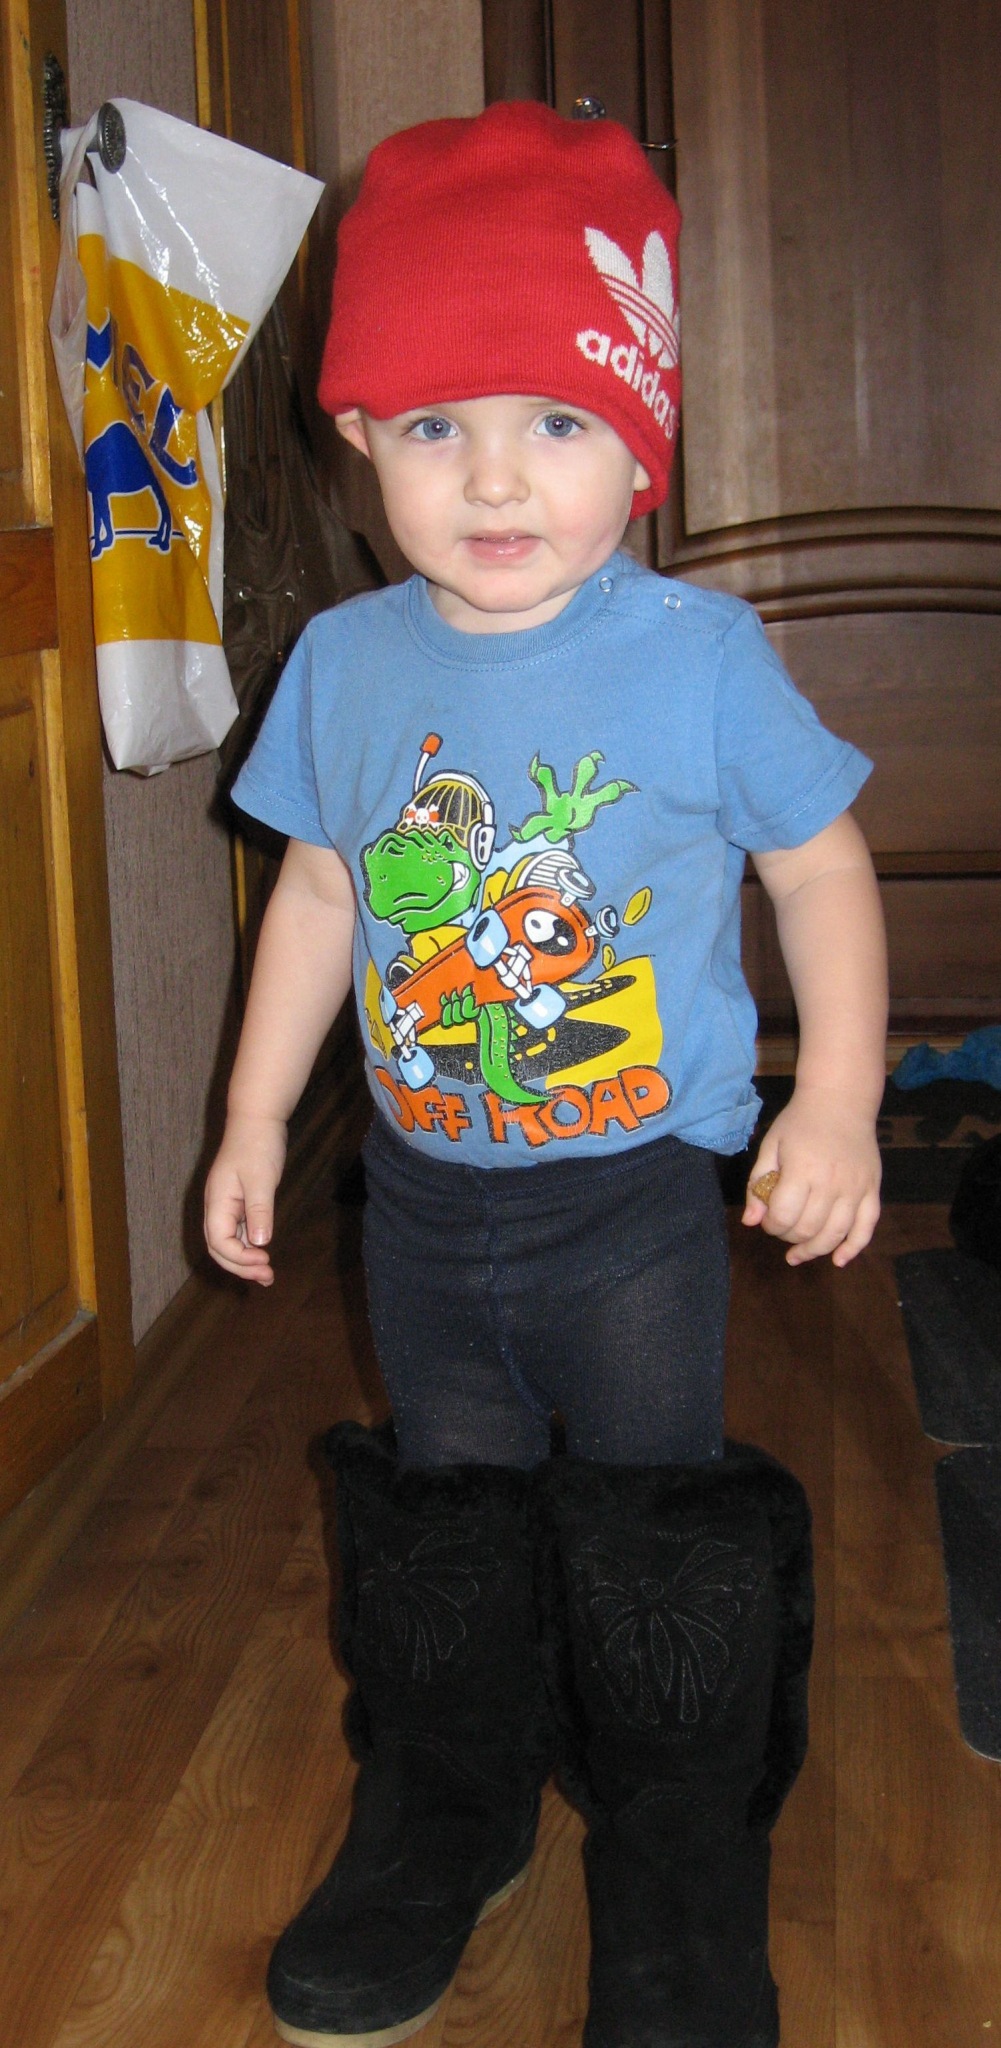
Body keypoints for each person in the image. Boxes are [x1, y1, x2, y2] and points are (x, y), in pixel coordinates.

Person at [205, 101, 887, 2048]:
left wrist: (837, 1094)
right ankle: (453, 1798)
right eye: (435, 423)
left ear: (641, 439)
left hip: (632, 1204)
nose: (495, 476)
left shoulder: (698, 655)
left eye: (558, 421)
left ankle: (675, 1867)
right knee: (453, 1503)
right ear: (357, 435)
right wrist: (252, 1113)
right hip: (421, 1203)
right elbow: (323, 889)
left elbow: (816, 861)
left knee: (653, 1516)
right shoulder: (344, 666)